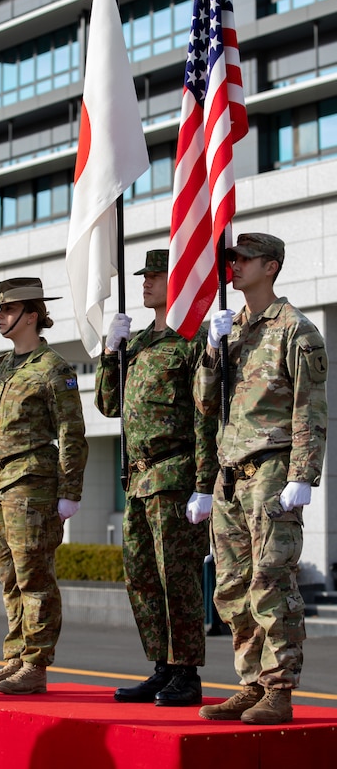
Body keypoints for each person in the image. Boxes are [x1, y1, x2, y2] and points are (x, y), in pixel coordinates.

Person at [194, 233, 328, 725]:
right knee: (231, 588)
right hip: (230, 474)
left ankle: (279, 688)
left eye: (244, 259)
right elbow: (206, 405)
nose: (234, 267)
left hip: (272, 470)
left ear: (271, 267)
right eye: (232, 259)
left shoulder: (296, 329)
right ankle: (251, 682)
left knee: (272, 583)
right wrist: (212, 348)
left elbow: (310, 407)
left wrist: (303, 475)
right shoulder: (233, 330)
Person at [0, 277, 88, 695]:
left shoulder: (53, 368)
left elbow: (72, 433)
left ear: (31, 315)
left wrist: (70, 492)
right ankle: (15, 657)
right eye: (1, 309)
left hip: (32, 483)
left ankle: (36, 663)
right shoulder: (0, 367)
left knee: (34, 575)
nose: (0, 317)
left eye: (7, 310)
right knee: (8, 577)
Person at [95, 249, 219, 707]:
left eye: (155, 276)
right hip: (138, 479)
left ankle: (187, 673)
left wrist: (204, 485)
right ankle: (162, 666)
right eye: (144, 275)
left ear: (180, 280)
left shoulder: (194, 341)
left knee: (177, 578)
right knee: (142, 578)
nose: (145, 283)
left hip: (176, 473)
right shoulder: (141, 343)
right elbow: (110, 406)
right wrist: (111, 354)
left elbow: (208, 419)